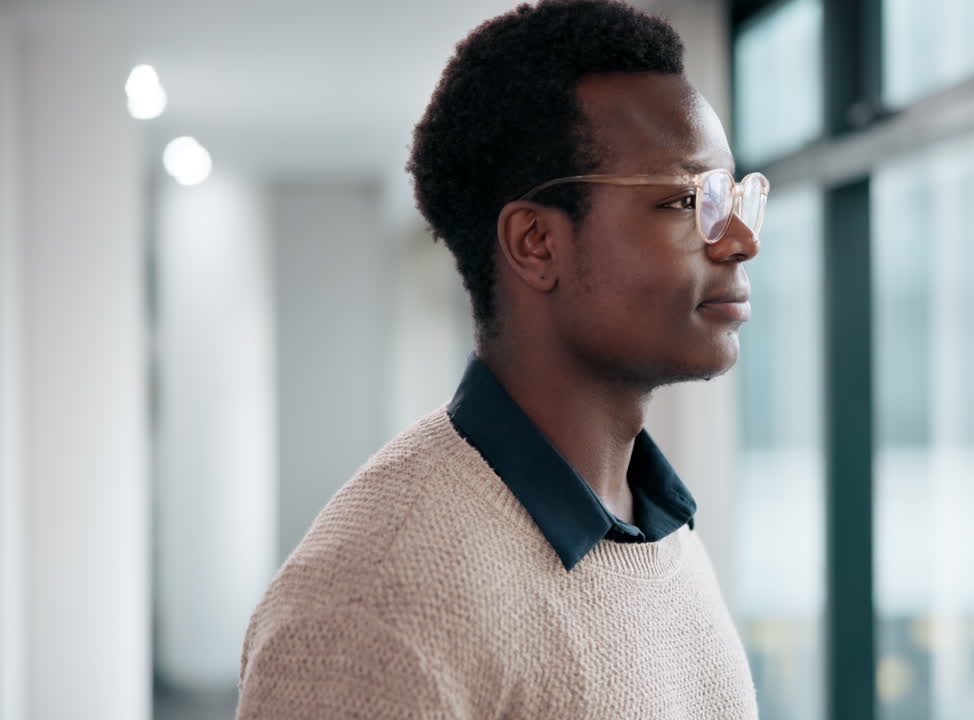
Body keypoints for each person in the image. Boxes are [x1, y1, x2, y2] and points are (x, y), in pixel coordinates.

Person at [236, 1, 767, 717]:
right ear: (536, 244)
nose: (738, 239)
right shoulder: (371, 608)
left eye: (732, 196)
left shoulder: (659, 530)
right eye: (687, 199)